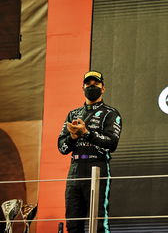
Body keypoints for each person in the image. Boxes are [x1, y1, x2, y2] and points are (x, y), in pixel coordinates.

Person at [58, 70, 122, 233]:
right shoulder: (73, 114)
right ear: (83, 87)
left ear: (103, 88)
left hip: (98, 166)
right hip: (75, 168)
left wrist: (87, 133)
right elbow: (62, 147)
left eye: (96, 84)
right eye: (88, 84)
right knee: (72, 225)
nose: (92, 86)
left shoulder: (111, 113)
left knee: (99, 223)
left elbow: (112, 144)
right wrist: (72, 137)